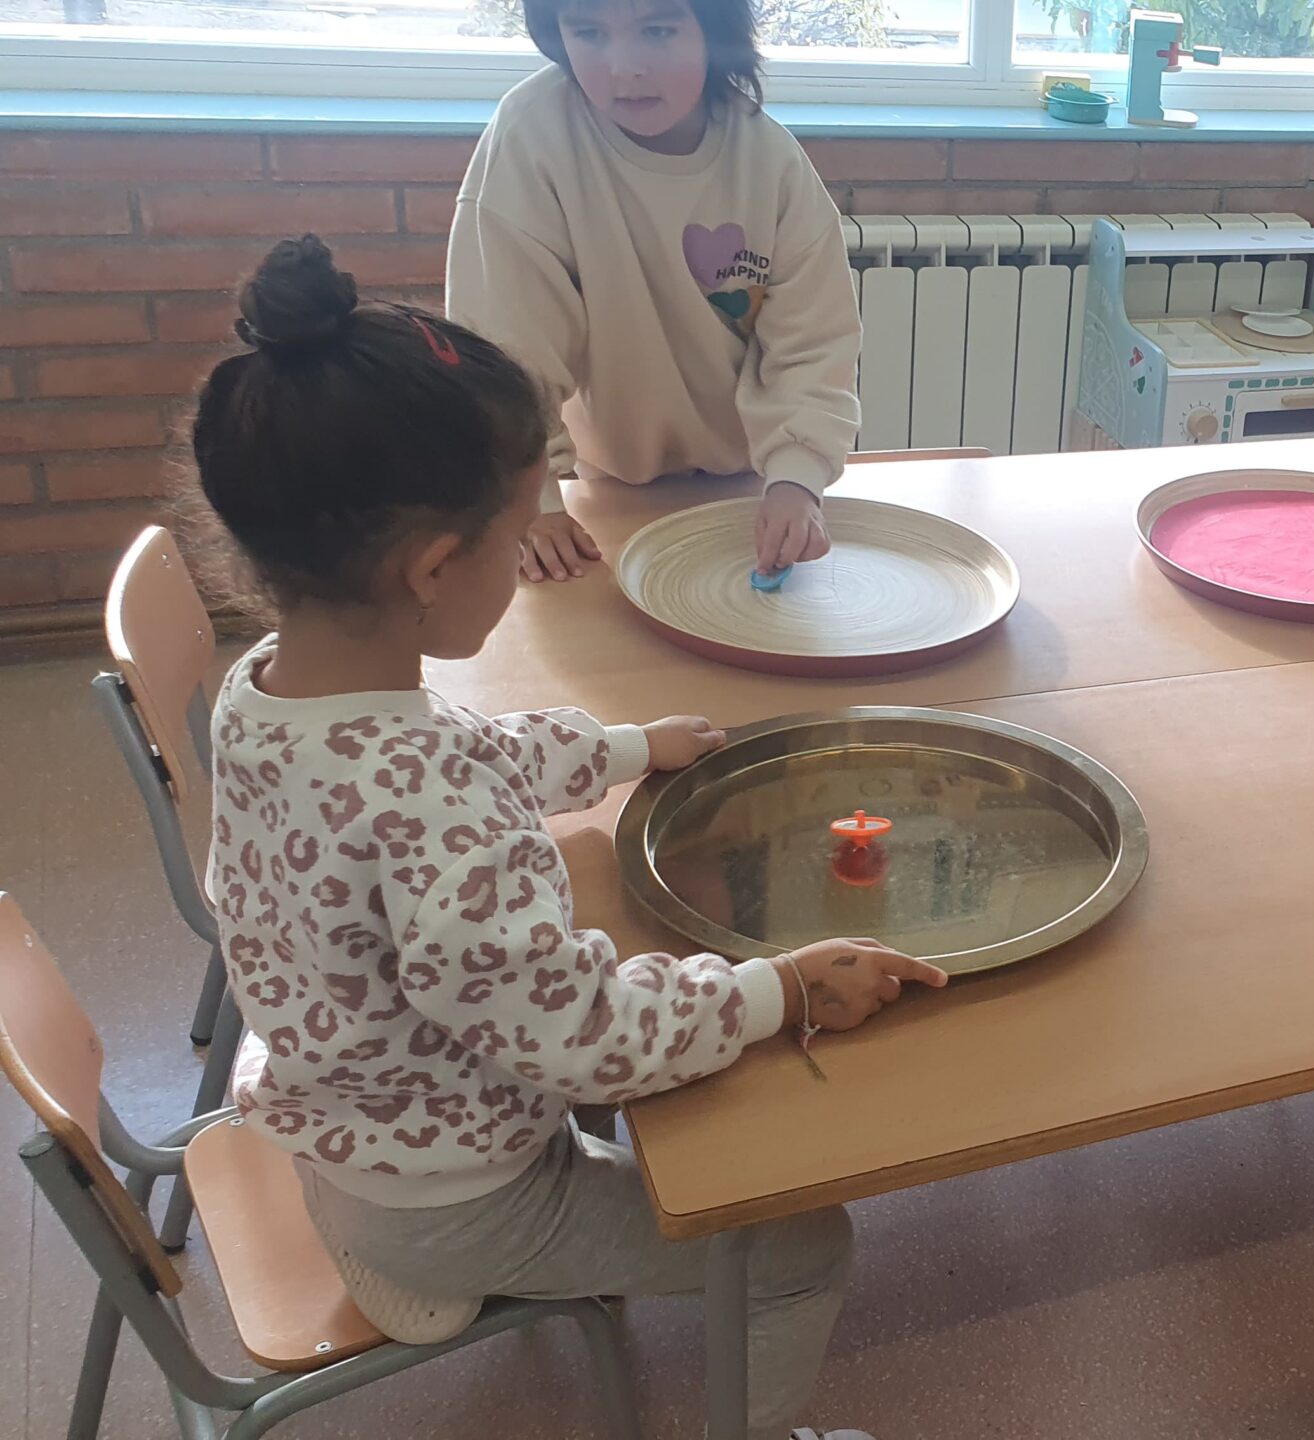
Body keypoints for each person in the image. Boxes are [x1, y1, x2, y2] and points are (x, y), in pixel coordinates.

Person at [195, 235, 932, 1440]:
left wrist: (627, 748)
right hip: (449, 1199)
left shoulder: (270, 690)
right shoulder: (426, 795)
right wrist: (777, 990)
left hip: (351, 1118)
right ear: (437, 568)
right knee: (801, 1244)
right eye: (515, 528)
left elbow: (456, 757)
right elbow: (580, 1034)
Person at [446, 0, 860, 583]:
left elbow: (813, 346)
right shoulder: (532, 136)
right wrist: (533, 500)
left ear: (714, 29)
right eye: (588, 32)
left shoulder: (770, 161)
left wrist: (797, 479)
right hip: (608, 487)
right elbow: (504, 345)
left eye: (658, 30)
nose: (624, 68)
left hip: (753, 484)